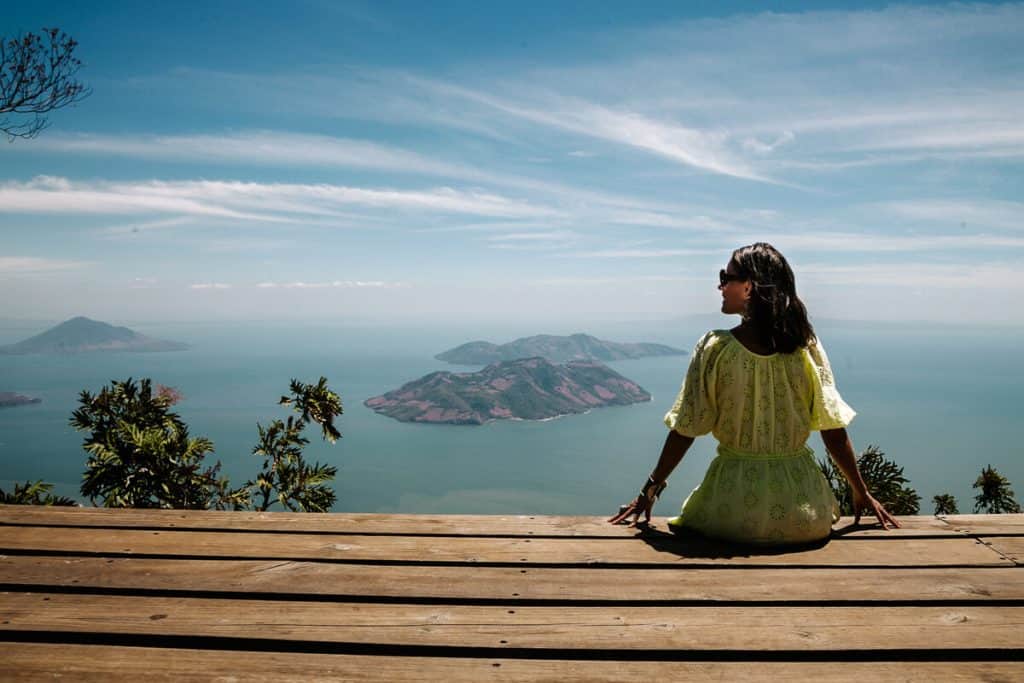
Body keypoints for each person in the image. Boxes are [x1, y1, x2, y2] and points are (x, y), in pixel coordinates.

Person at [609, 243, 899, 544]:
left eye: (726, 277)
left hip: (730, 514)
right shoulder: (805, 347)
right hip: (805, 517)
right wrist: (860, 491)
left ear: (749, 287)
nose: (719, 286)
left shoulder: (715, 349)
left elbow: (687, 428)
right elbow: (832, 428)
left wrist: (649, 491)